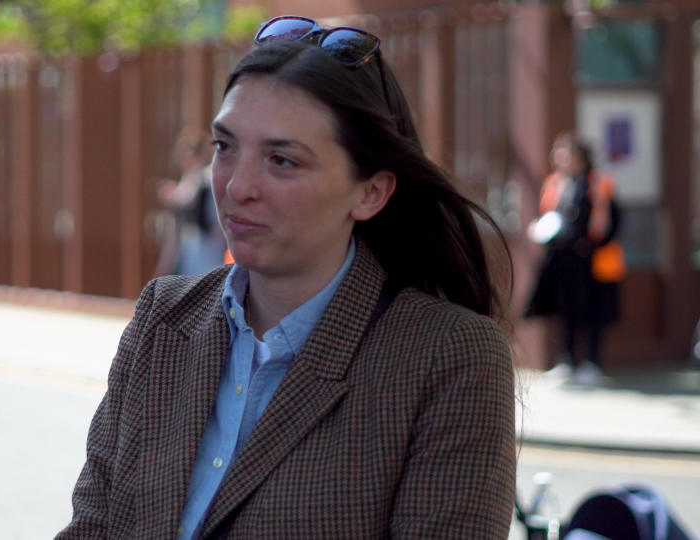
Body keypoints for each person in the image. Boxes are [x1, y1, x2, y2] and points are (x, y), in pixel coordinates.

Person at [59, 15, 515, 538]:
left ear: (370, 192)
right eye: (225, 147)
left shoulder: (446, 356)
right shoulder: (164, 319)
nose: (237, 187)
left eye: (281, 160)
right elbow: (91, 524)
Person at [526, 133, 624, 385]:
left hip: (593, 261)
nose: (560, 159)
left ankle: (592, 363)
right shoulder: (555, 184)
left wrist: (591, 245)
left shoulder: (599, 183)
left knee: (593, 312)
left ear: (579, 157)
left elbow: (614, 220)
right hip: (563, 258)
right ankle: (566, 361)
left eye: (565, 153)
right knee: (566, 309)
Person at [154, 128, 228, 276]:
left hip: (208, 245)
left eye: (186, 153)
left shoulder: (208, 177)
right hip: (189, 247)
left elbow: (191, 201)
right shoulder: (190, 178)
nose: (182, 159)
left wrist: (174, 197)